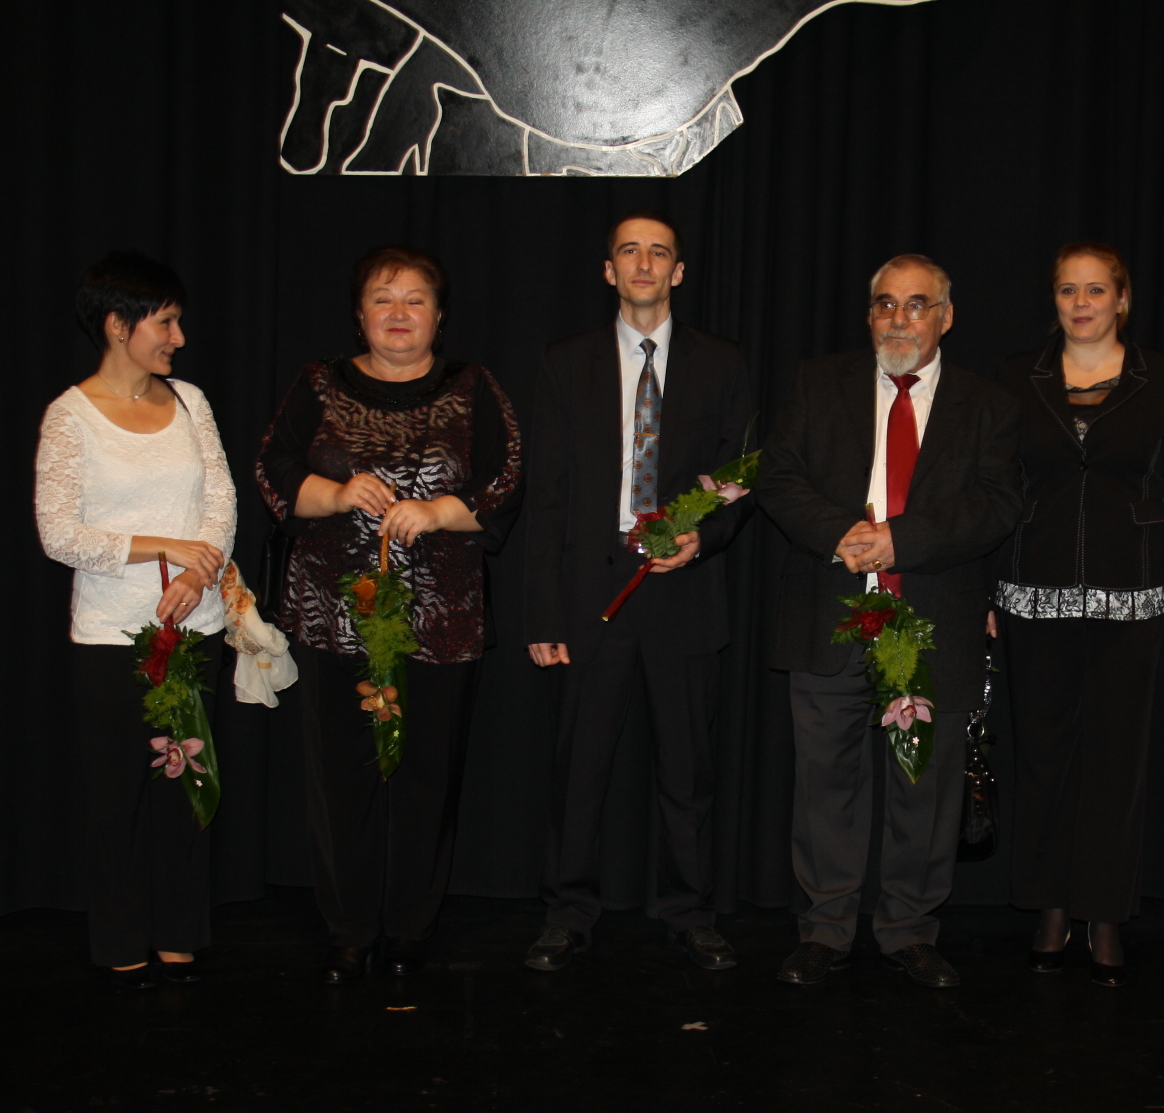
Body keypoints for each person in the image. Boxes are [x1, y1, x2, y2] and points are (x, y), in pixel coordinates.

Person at [256, 245, 522, 984]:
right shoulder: (317, 383)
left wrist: (439, 511)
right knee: (339, 778)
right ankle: (349, 928)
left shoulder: (474, 386)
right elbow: (274, 470)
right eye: (383, 298)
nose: (399, 313)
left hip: (442, 618)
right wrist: (339, 495)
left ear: (439, 315)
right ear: (359, 314)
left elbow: (506, 477)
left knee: (426, 778)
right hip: (333, 614)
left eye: (415, 299)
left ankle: (409, 927)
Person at [759, 254, 1022, 988]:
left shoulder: (989, 405)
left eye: (916, 305)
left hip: (935, 617)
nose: (898, 320)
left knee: (924, 790)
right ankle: (826, 928)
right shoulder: (818, 383)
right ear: (868, 314)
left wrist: (900, 541)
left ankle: (909, 929)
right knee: (825, 784)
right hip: (831, 614)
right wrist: (840, 531)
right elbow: (778, 476)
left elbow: (996, 505)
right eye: (885, 304)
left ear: (946, 317)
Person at [521, 212, 756, 971]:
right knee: (580, 766)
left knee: (687, 771)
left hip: (683, 591)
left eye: (659, 253)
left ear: (678, 272)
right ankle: (567, 913)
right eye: (630, 251)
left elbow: (739, 480)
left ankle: (690, 912)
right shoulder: (566, 362)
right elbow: (546, 495)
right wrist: (543, 610)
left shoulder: (722, 363)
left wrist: (703, 537)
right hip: (592, 590)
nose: (644, 263)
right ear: (609, 270)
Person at [993, 242, 1164, 986]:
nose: (1080, 304)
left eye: (1094, 290)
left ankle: (1106, 911)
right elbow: (993, 485)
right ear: (1053, 300)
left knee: (1116, 760)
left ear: (1122, 299)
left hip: (1134, 593)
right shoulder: (1017, 375)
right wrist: (989, 588)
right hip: (1033, 591)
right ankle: (1051, 907)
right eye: (1067, 290)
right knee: (1043, 757)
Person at [35, 250, 237, 990]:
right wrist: (160, 546)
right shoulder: (70, 416)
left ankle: (180, 932)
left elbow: (221, 501)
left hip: (195, 627)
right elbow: (59, 535)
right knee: (117, 794)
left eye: (178, 322)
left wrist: (196, 571)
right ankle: (120, 938)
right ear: (118, 325)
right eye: (165, 322)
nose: (178, 337)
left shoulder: (190, 401)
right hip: (111, 636)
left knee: (187, 787)